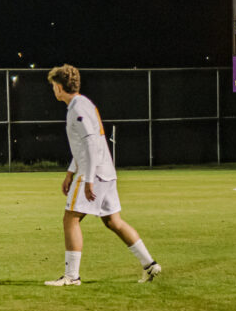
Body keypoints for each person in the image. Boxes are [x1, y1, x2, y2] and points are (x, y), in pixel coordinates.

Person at [44, 64, 161, 286]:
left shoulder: (77, 108)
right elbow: (84, 145)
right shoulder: (83, 103)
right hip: (105, 171)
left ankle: (71, 276)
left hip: (94, 172)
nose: (53, 90)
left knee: (70, 219)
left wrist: (87, 179)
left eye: (53, 86)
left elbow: (90, 143)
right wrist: (70, 172)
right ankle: (150, 264)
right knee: (113, 221)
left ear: (59, 87)